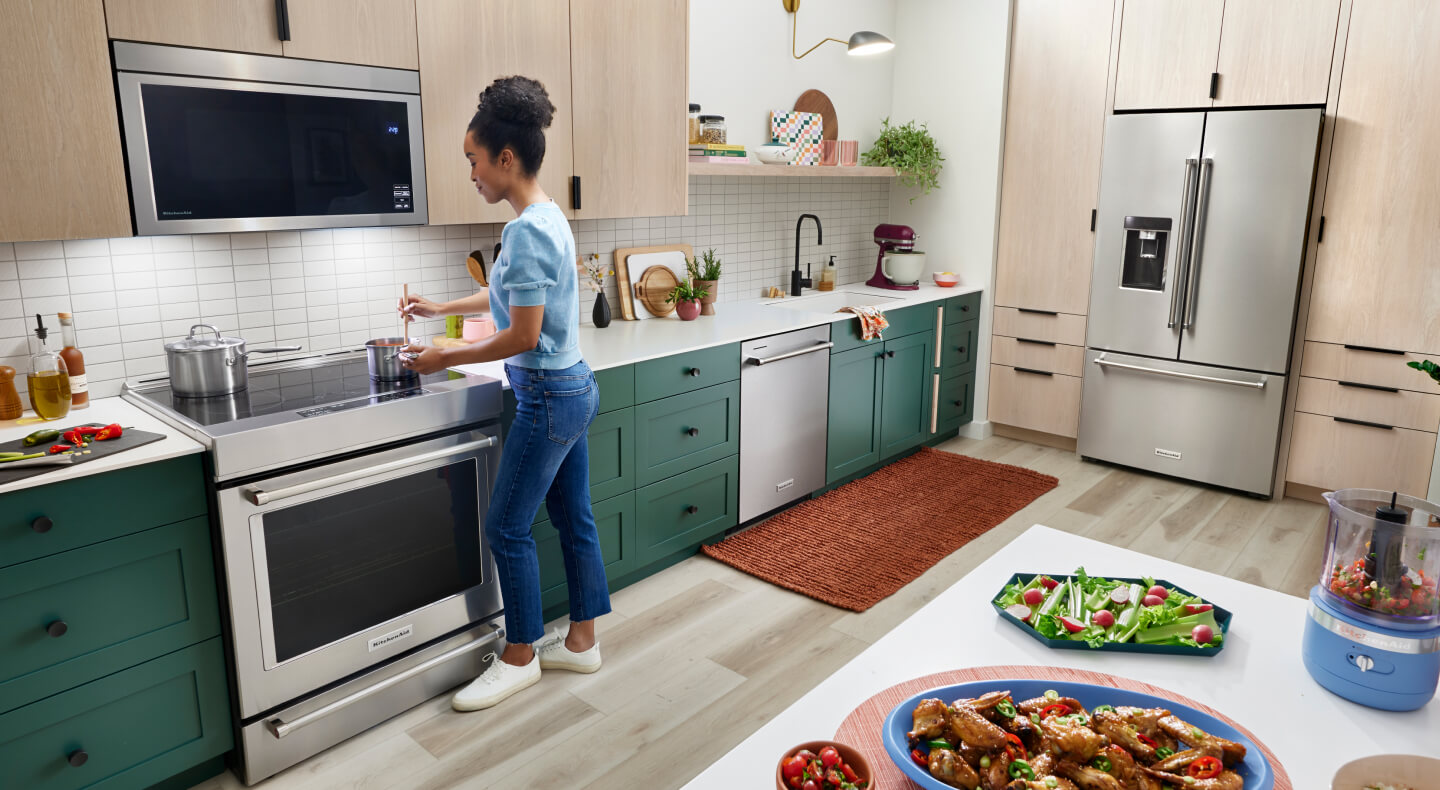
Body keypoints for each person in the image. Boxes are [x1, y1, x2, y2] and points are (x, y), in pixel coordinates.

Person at [399, 76, 609, 712]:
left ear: (505, 158)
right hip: (573, 388)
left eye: (472, 159)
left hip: (548, 396)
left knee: (506, 528)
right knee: (574, 519)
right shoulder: (547, 218)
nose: (470, 172)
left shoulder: (524, 232)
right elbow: (513, 297)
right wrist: (441, 305)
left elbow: (521, 333)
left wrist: (446, 356)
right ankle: (581, 642)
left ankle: (519, 656)